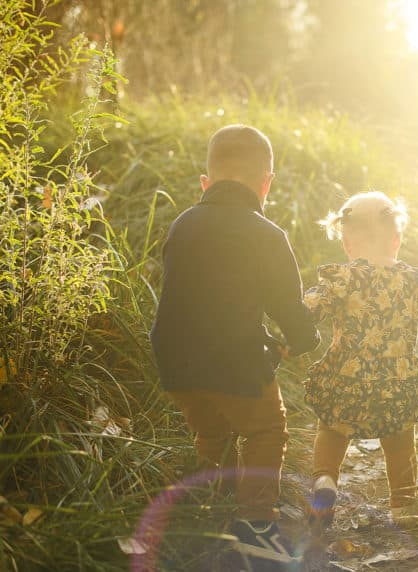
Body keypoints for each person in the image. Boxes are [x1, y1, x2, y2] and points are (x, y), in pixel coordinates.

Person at [150, 124, 319, 567]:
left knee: (212, 431)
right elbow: (288, 306)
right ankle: (257, 526)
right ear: (267, 184)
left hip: (176, 364)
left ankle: (209, 508)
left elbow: (191, 300)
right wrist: (304, 339)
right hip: (234, 361)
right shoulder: (266, 234)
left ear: (206, 183)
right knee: (266, 430)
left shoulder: (183, 224)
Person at [302, 191, 418, 530]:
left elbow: (309, 310)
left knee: (332, 430)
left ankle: (325, 482)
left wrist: (293, 330)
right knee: (399, 442)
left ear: (348, 244)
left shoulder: (343, 279)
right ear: (396, 241)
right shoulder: (412, 281)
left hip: (345, 378)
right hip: (396, 381)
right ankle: (404, 505)